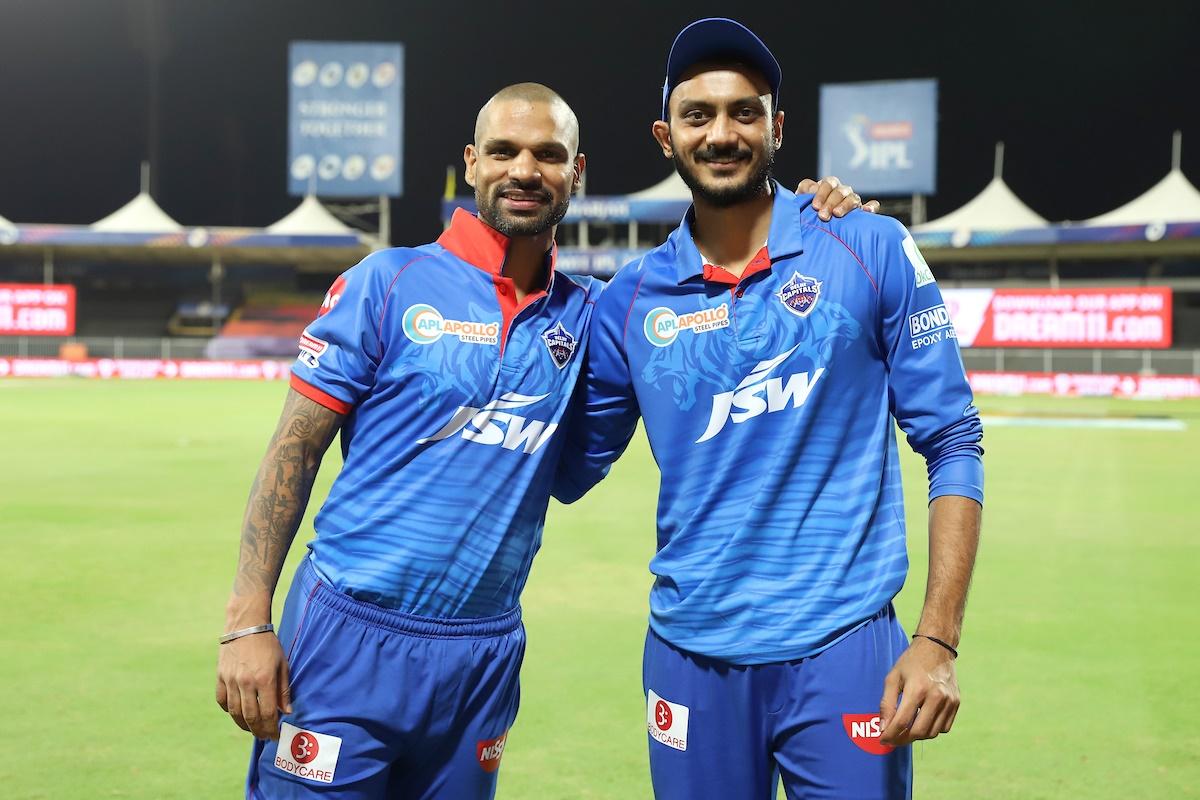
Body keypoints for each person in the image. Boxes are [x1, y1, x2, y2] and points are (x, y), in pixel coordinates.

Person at [215, 79, 868, 799]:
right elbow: (294, 449)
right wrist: (247, 622)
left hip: (482, 652)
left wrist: (820, 218)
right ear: (471, 163)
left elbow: (693, 332)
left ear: (576, 173)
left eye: (548, 155)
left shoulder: (592, 315)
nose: (525, 170)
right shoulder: (388, 282)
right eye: (504, 151)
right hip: (350, 634)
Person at [554, 18, 984, 800]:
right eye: (698, 115)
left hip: (845, 648)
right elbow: (567, 466)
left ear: (777, 127)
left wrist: (936, 638)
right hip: (690, 656)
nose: (722, 133)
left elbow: (954, 438)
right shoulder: (631, 300)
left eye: (744, 111)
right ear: (666, 135)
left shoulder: (867, 245)